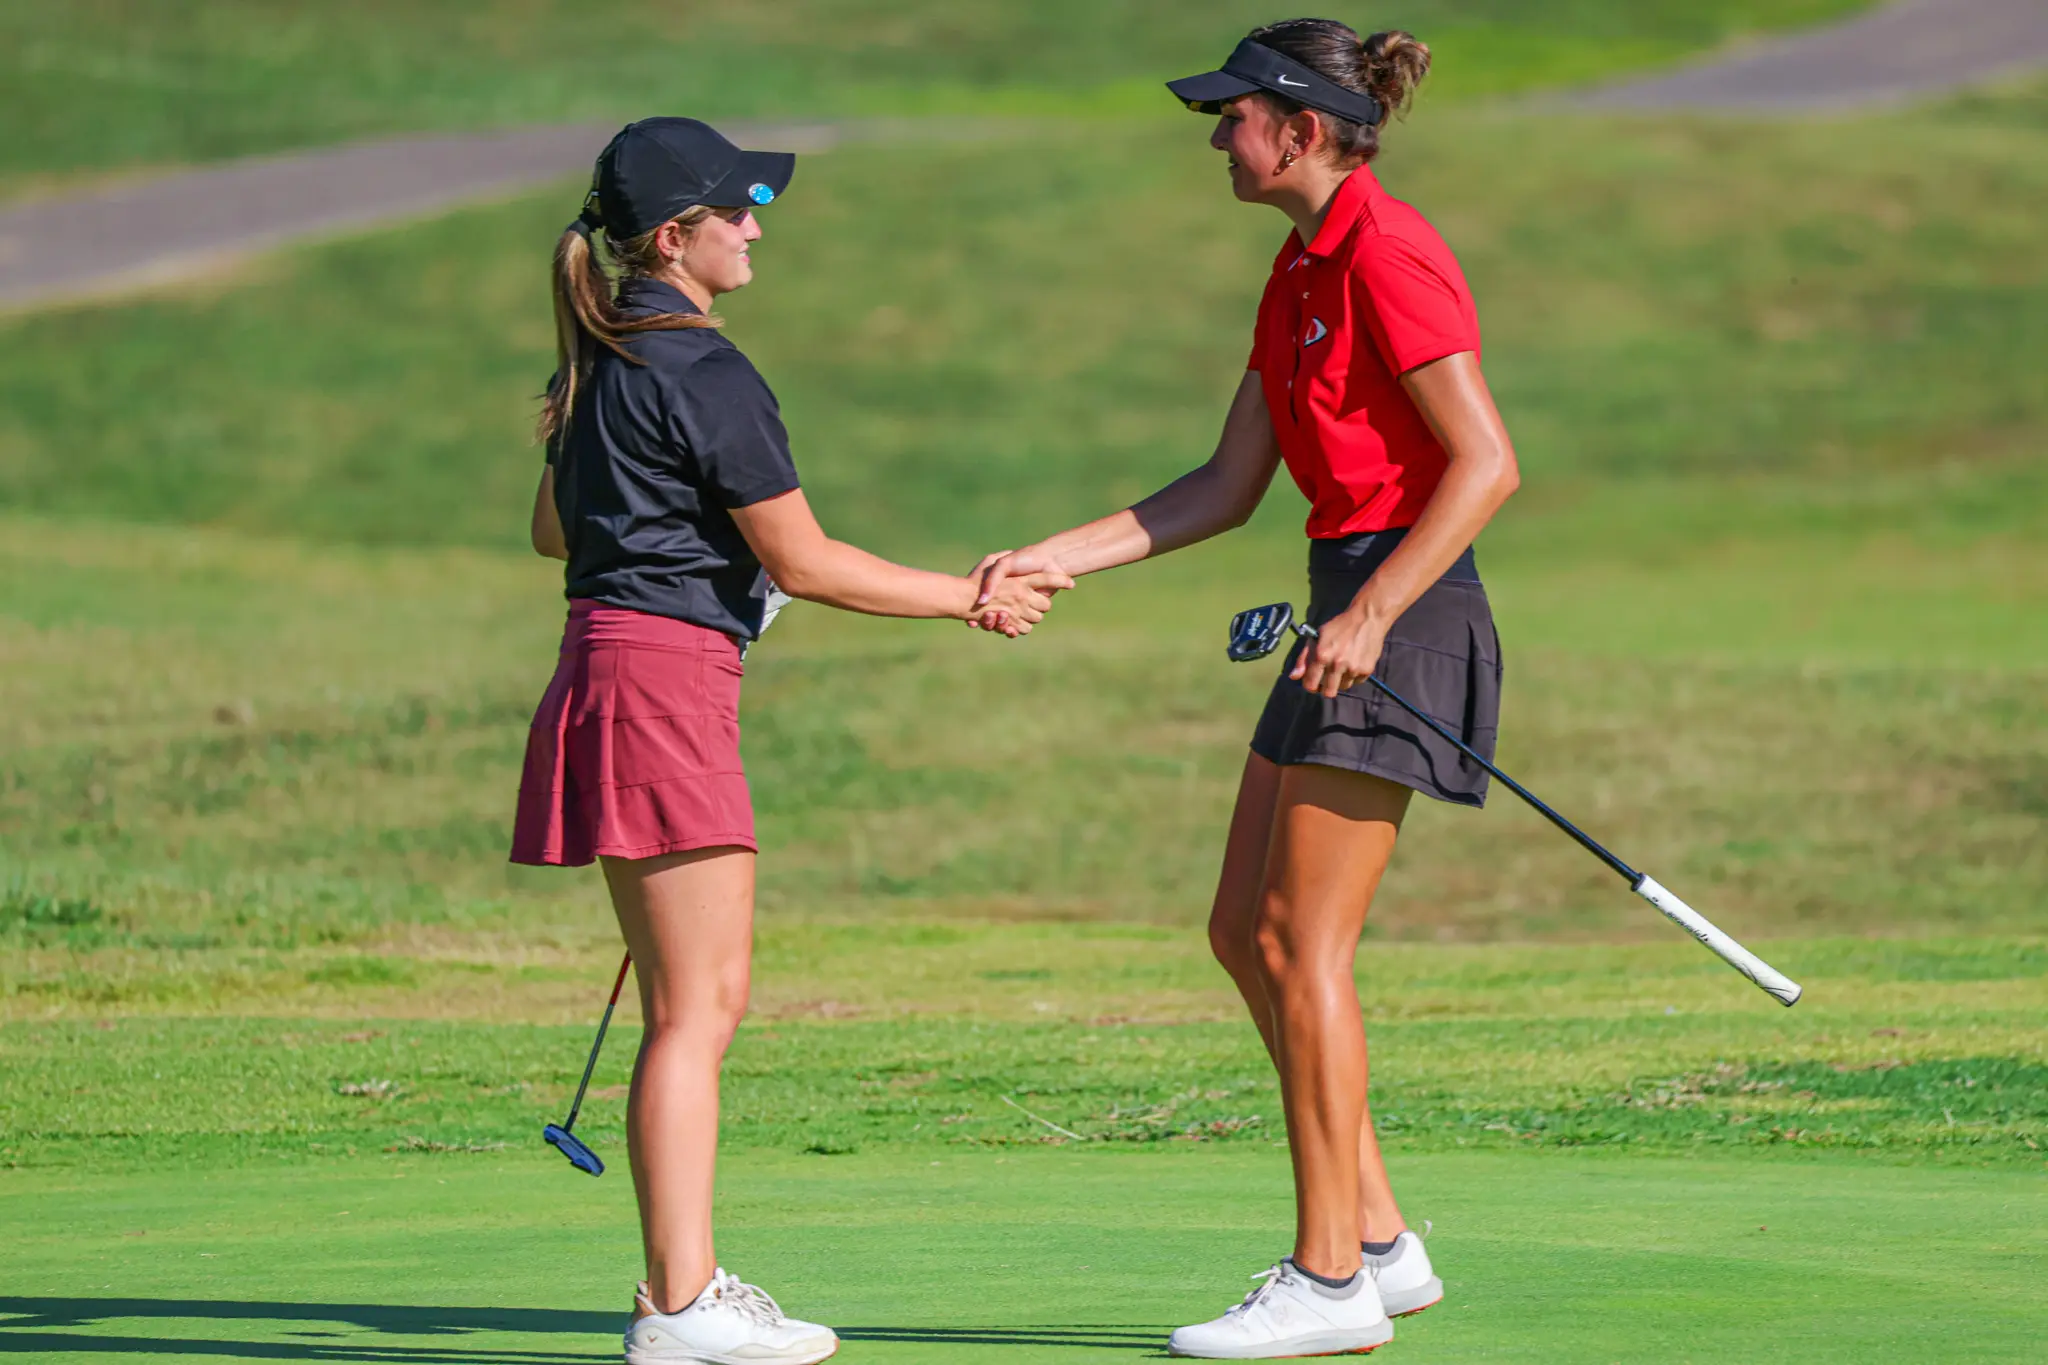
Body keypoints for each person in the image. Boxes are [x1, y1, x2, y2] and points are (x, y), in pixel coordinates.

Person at [971, 21, 1519, 1360]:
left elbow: (1487, 462)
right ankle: (1382, 1242)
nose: (1218, 135)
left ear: (1306, 127)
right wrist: (1059, 555)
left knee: (1303, 944)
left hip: (1405, 612)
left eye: (1235, 115)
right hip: (1344, 606)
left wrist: (1378, 616)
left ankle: (1329, 1276)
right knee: (1240, 928)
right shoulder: (1295, 274)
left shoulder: (1389, 252)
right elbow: (1224, 487)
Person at [513, 117, 1069, 1365]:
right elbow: (805, 562)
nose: (755, 227)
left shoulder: (601, 358)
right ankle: (679, 1303)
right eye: (736, 211)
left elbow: (559, 536)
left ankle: (681, 1296)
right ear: (676, 237)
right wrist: (974, 595)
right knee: (698, 1012)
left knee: (686, 1004)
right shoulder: (704, 370)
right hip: (661, 686)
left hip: (612, 671)